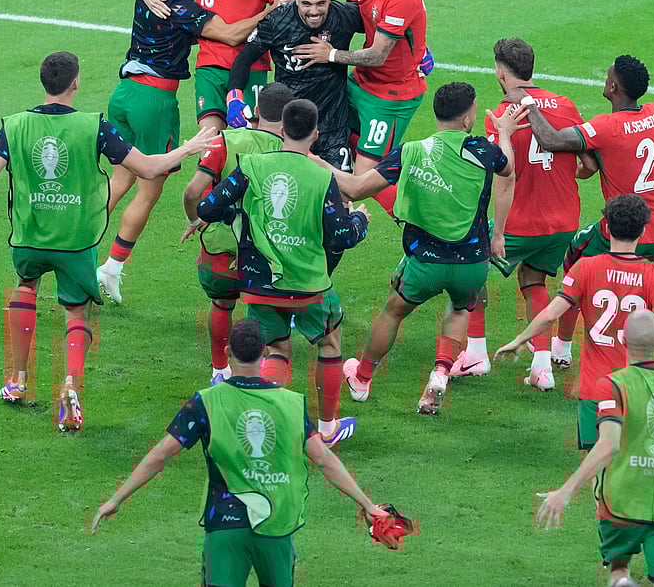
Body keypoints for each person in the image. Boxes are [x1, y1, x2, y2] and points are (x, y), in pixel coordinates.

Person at [0, 51, 214, 431]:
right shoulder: (93, 126)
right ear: (75, 83)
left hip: (30, 236)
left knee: (26, 288)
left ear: (43, 82)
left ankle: (18, 381)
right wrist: (188, 148)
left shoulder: (15, 125)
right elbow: (149, 167)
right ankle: (69, 386)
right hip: (75, 242)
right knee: (75, 312)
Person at [90, 319, 391, 586]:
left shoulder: (205, 402)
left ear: (226, 354)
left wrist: (117, 499)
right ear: (264, 355)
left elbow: (160, 455)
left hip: (225, 526)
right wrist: (367, 504)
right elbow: (324, 459)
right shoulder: (291, 404)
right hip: (276, 527)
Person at [98, 0, 281, 305]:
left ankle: (79, 248)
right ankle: (111, 268)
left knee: (119, 180)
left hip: (124, 93)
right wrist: (272, 11)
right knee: (148, 189)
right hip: (154, 102)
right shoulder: (178, 5)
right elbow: (231, 34)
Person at [325, 82, 520, 416]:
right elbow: (508, 168)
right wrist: (504, 133)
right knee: (460, 309)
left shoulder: (410, 151)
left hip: (424, 262)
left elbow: (355, 189)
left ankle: (362, 378)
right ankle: (441, 373)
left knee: (394, 311)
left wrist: (313, 159)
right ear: (467, 118)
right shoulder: (483, 151)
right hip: (472, 261)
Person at [197, 100, 369, 445]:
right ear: (315, 135)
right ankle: (327, 428)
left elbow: (207, 207)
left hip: (260, 283)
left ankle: (264, 422)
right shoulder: (323, 177)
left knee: (276, 349)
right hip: (308, 286)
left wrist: (240, 215)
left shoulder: (252, 166)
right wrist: (360, 220)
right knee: (330, 343)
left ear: (281, 130)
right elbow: (341, 236)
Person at [495, 194, 654, 450]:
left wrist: (520, 340)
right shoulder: (652, 274)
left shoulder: (586, 268)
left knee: (597, 467)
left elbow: (551, 314)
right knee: (630, 465)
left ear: (606, 226)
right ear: (642, 230)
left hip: (594, 390)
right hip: (635, 387)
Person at [505, 55, 654, 369]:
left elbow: (550, 140)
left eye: (607, 76)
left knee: (576, 265)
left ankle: (561, 350)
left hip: (624, 228)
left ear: (614, 86)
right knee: (633, 286)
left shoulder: (605, 126)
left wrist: (528, 102)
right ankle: (634, 354)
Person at [535, 310, 654, 587]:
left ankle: (621, 581)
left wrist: (566, 491)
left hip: (620, 504)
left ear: (622, 339)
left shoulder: (613, 385)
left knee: (619, 568)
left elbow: (608, 445)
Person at [454, 37, 590, 388]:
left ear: (501, 73)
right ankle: (542, 368)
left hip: (520, 222)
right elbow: (587, 164)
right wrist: (558, 172)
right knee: (534, 281)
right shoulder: (564, 104)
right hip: (563, 221)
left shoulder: (501, 116)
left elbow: (505, 176)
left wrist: (497, 232)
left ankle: (475, 354)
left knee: (470, 274)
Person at [292, 0, 429, 217]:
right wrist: (306, 7)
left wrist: (331, 55)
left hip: (390, 98)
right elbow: (350, 16)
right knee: (334, 134)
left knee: (360, 181)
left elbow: (378, 55)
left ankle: (422, 221)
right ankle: (398, 168)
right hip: (362, 83)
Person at [181, 82, 293, 385]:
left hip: (221, 245)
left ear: (256, 112)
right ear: (289, 118)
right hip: (268, 253)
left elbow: (192, 192)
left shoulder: (223, 142)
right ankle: (266, 375)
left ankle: (219, 369)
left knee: (221, 305)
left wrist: (194, 219)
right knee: (267, 312)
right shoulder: (290, 152)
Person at [140, 0, 285, 132]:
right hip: (210, 65)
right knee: (210, 143)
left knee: (248, 142)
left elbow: (282, 13)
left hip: (251, 66)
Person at [226, 0, 363, 172]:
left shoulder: (343, 16)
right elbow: (245, 58)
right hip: (290, 128)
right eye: (306, 3)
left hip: (333, 127)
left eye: (321, 3)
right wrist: (234, 97)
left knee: (342, 193)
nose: (314, 11)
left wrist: (417, 51)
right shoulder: (277, 21)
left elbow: (382, 24)